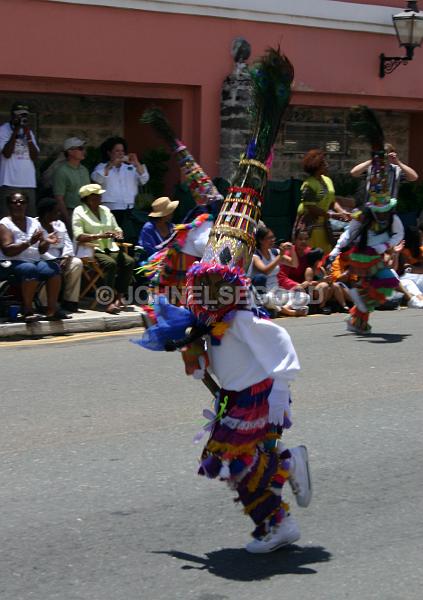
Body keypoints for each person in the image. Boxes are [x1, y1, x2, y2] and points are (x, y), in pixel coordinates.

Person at [0, 192, 69, 322]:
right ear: (9, 205)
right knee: (29, 269)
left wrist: (46, 241)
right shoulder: (4, 224)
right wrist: (29, 242)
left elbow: (41, 250)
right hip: (12, 262)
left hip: (34, 260)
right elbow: (8, 250)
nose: (18, 204)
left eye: (22, 202)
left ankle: (51, 309)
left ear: (27, 205)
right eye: (14, 202)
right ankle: (28, 310)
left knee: (53, 268)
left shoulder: (33, 222)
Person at [72, 184, 135, 314]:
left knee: (129, 261)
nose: (100, 198)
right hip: (91, 250)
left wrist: (118, 234)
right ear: (88, 199)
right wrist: (99, 235)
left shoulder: (105, 210)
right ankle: (108, 300)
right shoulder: (79, 211)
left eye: (100, 196)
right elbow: (79, 236)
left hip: (110, 247)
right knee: (110, 264)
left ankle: (119, 296)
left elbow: (117, 228)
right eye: (97, 196)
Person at [91, 136, 149, 239]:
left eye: (122, 151)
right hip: (110, 209)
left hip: (128, 209)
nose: (121, 154)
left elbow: (144, 179)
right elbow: (97, 179)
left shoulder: (130, 168)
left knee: (128, 238)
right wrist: (111, 165)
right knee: (112, 237)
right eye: (117, 151)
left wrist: (136, 163)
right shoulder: (102, 167)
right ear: (109, 153)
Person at [295, 149, 350, 254]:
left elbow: (332, 201)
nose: (327, 165)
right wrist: (332, 215)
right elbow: (311, 208)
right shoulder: (308, 185)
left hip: (324, 226)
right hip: (309, 227)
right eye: (323, 163)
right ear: (316, 166)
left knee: (325, 256)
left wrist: (342, 212)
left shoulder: (327, 180)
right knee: (310, 255)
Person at [37, 197, 83, 313]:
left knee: (76, 263)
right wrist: (55, 260)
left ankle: (70, 301)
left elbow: (68, 242)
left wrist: (66, 257)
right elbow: (36, 250)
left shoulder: (60, 224)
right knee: (49, 268)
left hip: (61, 257)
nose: (59, 213)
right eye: (56, 211)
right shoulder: (35, 225)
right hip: (43, 258)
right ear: (47, 213)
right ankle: (44, 304)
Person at [251, 226, 309, 316]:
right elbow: (265, 271)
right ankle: (291, 312)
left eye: (273, 237)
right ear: (261, 240)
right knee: (269, 299)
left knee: (305, 297)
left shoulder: (275, 252)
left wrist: (292, 249)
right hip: (264, 293)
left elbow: (294, 264)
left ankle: (283, 309)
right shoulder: (256, 256)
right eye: (269, 238)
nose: (273, 240)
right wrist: (280, 256)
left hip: (278, 292)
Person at [0, 102, 39, 218]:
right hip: (9, 182)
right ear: (12, 116)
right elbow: (6, 153)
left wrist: (28, 136)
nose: (22, 118)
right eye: (19, 115)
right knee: (7, 218)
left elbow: (34, 156)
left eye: (25, 116)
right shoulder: (3, 130)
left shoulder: (29, 132)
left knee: (30, 217)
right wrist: (15, 132)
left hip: (28, 182)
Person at [351, 142, 418, 206]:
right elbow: (354, 173)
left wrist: (398, 162)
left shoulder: (396, 169)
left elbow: (414, 177)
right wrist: (372, 160)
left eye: (385, 154)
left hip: (388, 211)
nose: (382, 158)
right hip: (369, 210)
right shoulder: (371, 168)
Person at [53, 137, 90, 230]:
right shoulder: (61, 171)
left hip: (86, 212)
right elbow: (59, 198)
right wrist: (67, 219)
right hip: (70, 212)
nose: (84, 151)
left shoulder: (84, 170)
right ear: (70, 151)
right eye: (80, 149)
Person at [304, 248, 349, 314]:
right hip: (314, 294)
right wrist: (322, 281)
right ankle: (321, 307)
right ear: (317, 259)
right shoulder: (310, 269)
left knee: (335, 285)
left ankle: (344, 306)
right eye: (323, 257)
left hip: (324, 291)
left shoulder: (322, 269)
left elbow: (327, 280)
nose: (324, 258)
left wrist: (329, 279)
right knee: (324, 285)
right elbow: (308, 283)